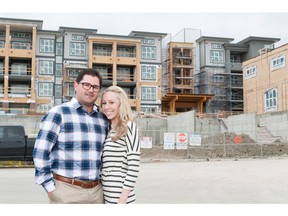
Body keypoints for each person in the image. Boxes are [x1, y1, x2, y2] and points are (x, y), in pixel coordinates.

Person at [33, 68, 109, 204]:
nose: (91, 90)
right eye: (86, 85)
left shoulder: (103, 119)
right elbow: (40, 153)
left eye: (95, 87)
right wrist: (50, 188)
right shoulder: (58, 113)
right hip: (67, 190)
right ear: (76, 85)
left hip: (98, 192)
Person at [100, 86, 141, 204]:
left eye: (111, 102)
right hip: (107, 196)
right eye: (104, 103)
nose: (106, 107)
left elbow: (133, 167)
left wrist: (123, 199)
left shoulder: (129, 127)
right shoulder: (108, 130)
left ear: (121, 104)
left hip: (121, 199)